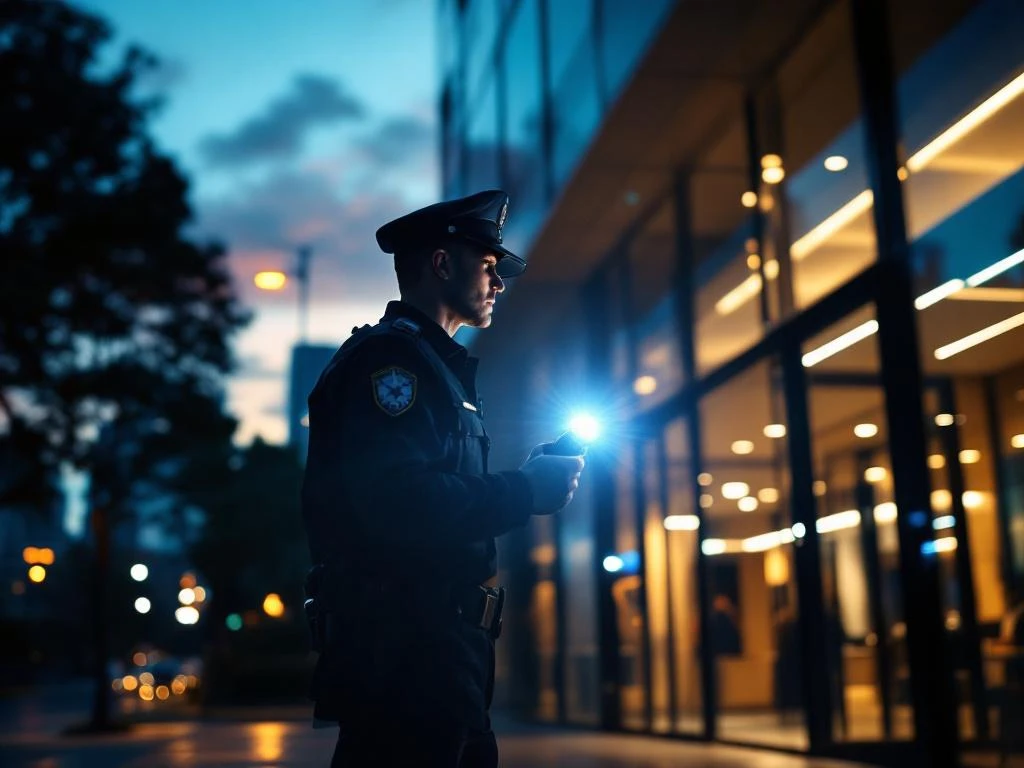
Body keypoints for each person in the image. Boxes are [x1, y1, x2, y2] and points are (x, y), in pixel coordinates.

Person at [301, 190, 586, 767]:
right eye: (488, 265)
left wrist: (525, 479)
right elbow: (400, 501)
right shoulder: (392, 364)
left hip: (438, 658)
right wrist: (525, 489)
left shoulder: (432, 367)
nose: (498, 282)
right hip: (406, 661)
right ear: (441, 263)